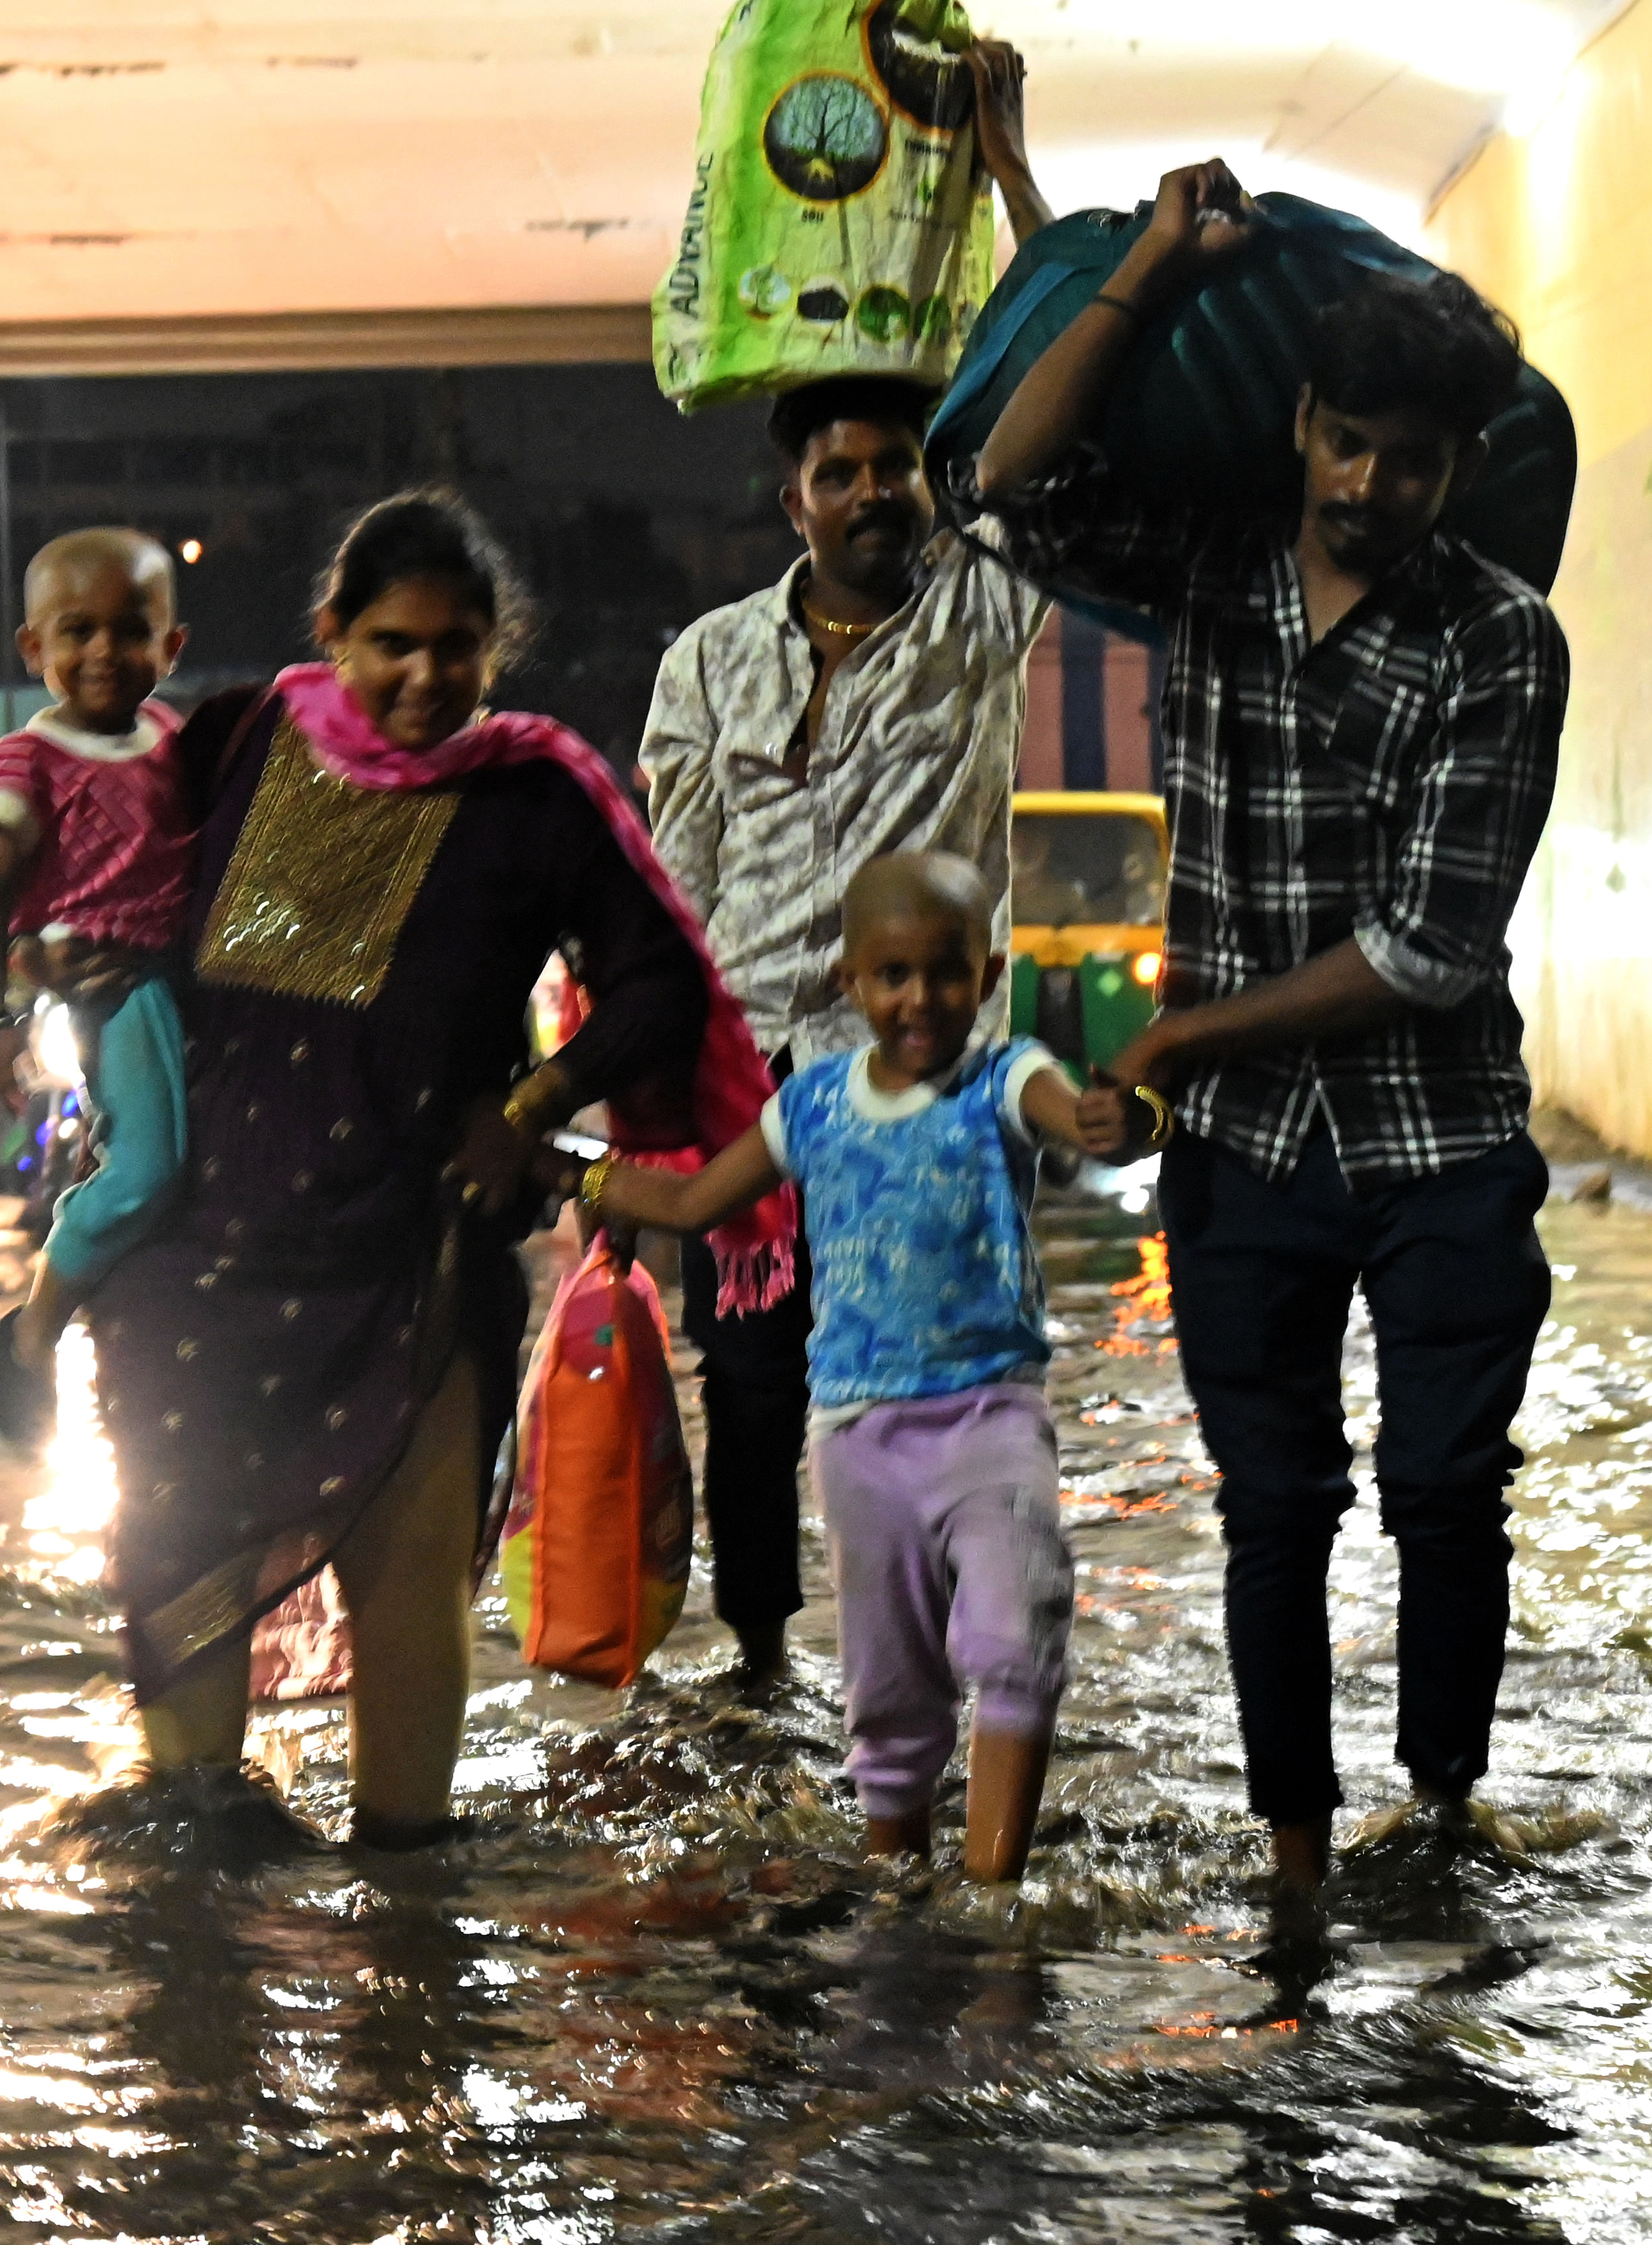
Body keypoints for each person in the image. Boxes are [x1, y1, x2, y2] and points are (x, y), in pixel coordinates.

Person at [18, 490, 774, 1849]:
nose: (425, 674)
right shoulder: (243, 737)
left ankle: (409, 1914)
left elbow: (660, 983)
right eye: (391, 644)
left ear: (498, 649)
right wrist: (45, 951)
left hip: (416, 1249)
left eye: (457, 646)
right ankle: (199, 1899)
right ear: (332, 635)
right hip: (196, 1257)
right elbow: (104, 861)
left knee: (407, 1578)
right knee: (182, 1562)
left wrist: (532, 1102)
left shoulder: (535, 793)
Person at [976, 167, 1570, 1891]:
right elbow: (1014, 487)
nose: (1378, 486)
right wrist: (1152, 267)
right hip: (1255, 1164)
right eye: (1354, 444)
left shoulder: (1502, 644)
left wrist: (1175, 1043)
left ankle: (1445, 1809)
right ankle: (1299, 1857)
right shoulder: (1209, 570)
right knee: (1274, 1508)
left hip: (1440, 1141)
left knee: (1449, 1486)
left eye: (1419, 461)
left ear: (1463, 470)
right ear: (1304, 424)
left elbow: (1426, 949)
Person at [638, 41, 1055, 1684]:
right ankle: (763, 1672)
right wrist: (639, 1128)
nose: (875, 492)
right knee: (750, 1405)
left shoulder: (978, 603)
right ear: (794, 495)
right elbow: (670, 900)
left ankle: (960, 1680)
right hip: (752, 1107)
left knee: (948, 1397)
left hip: (932, 1108)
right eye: (843, 472)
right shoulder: (706, 664)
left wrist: (1010, 160)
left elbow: (1070, 394)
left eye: (899, 467)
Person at [575, 853, 1086, 1879]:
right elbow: (689, 1203)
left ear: (988, 978)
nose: (920, 1000)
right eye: (892, 976)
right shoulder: (809, 1107)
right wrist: (577, 1174)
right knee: (890, 1693)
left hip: (993, 1419)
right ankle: (899, 1889)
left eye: (948, 974)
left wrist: (1113, 1119)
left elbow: (1067, 1113)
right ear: (849, 983)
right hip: (860, 1441)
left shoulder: (1004, 1076)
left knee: (1017, 1638)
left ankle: (992, 1901)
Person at [0, 527, 198, 1107]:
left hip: (185, 984)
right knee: (146, 1165)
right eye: (78, 631)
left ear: (172, 646)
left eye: (131, 631)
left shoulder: (174, 737)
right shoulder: (26, 761)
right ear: (34, 647)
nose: (103, 652)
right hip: (98, 992)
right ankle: (87, 1204)